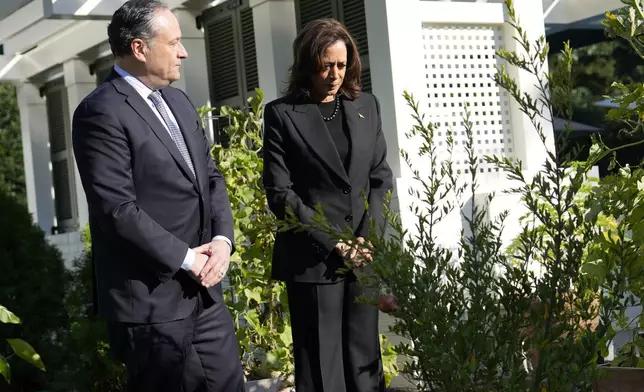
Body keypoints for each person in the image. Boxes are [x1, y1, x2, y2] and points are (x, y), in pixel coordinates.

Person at [71, 1, 244, 390]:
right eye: (174, 43)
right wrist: (186, 259)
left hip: (205, 295)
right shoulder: (100, 112)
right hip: (151, 303)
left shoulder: (180, 103)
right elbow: (116, 209)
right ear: (139, 48)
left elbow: (210, 178)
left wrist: (221, 241)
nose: (183, 52)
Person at [262, 18, 394, 392]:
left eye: (341, 64)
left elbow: (380, 178)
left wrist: (367, 238)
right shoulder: (281, 114)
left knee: (365, 363)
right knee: (322, 368)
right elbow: (280, 193)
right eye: (325, 65)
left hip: (363, 257)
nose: (334, 74)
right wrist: (335, 241)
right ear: (308, 63)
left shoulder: (367, 105)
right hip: (313, 259)